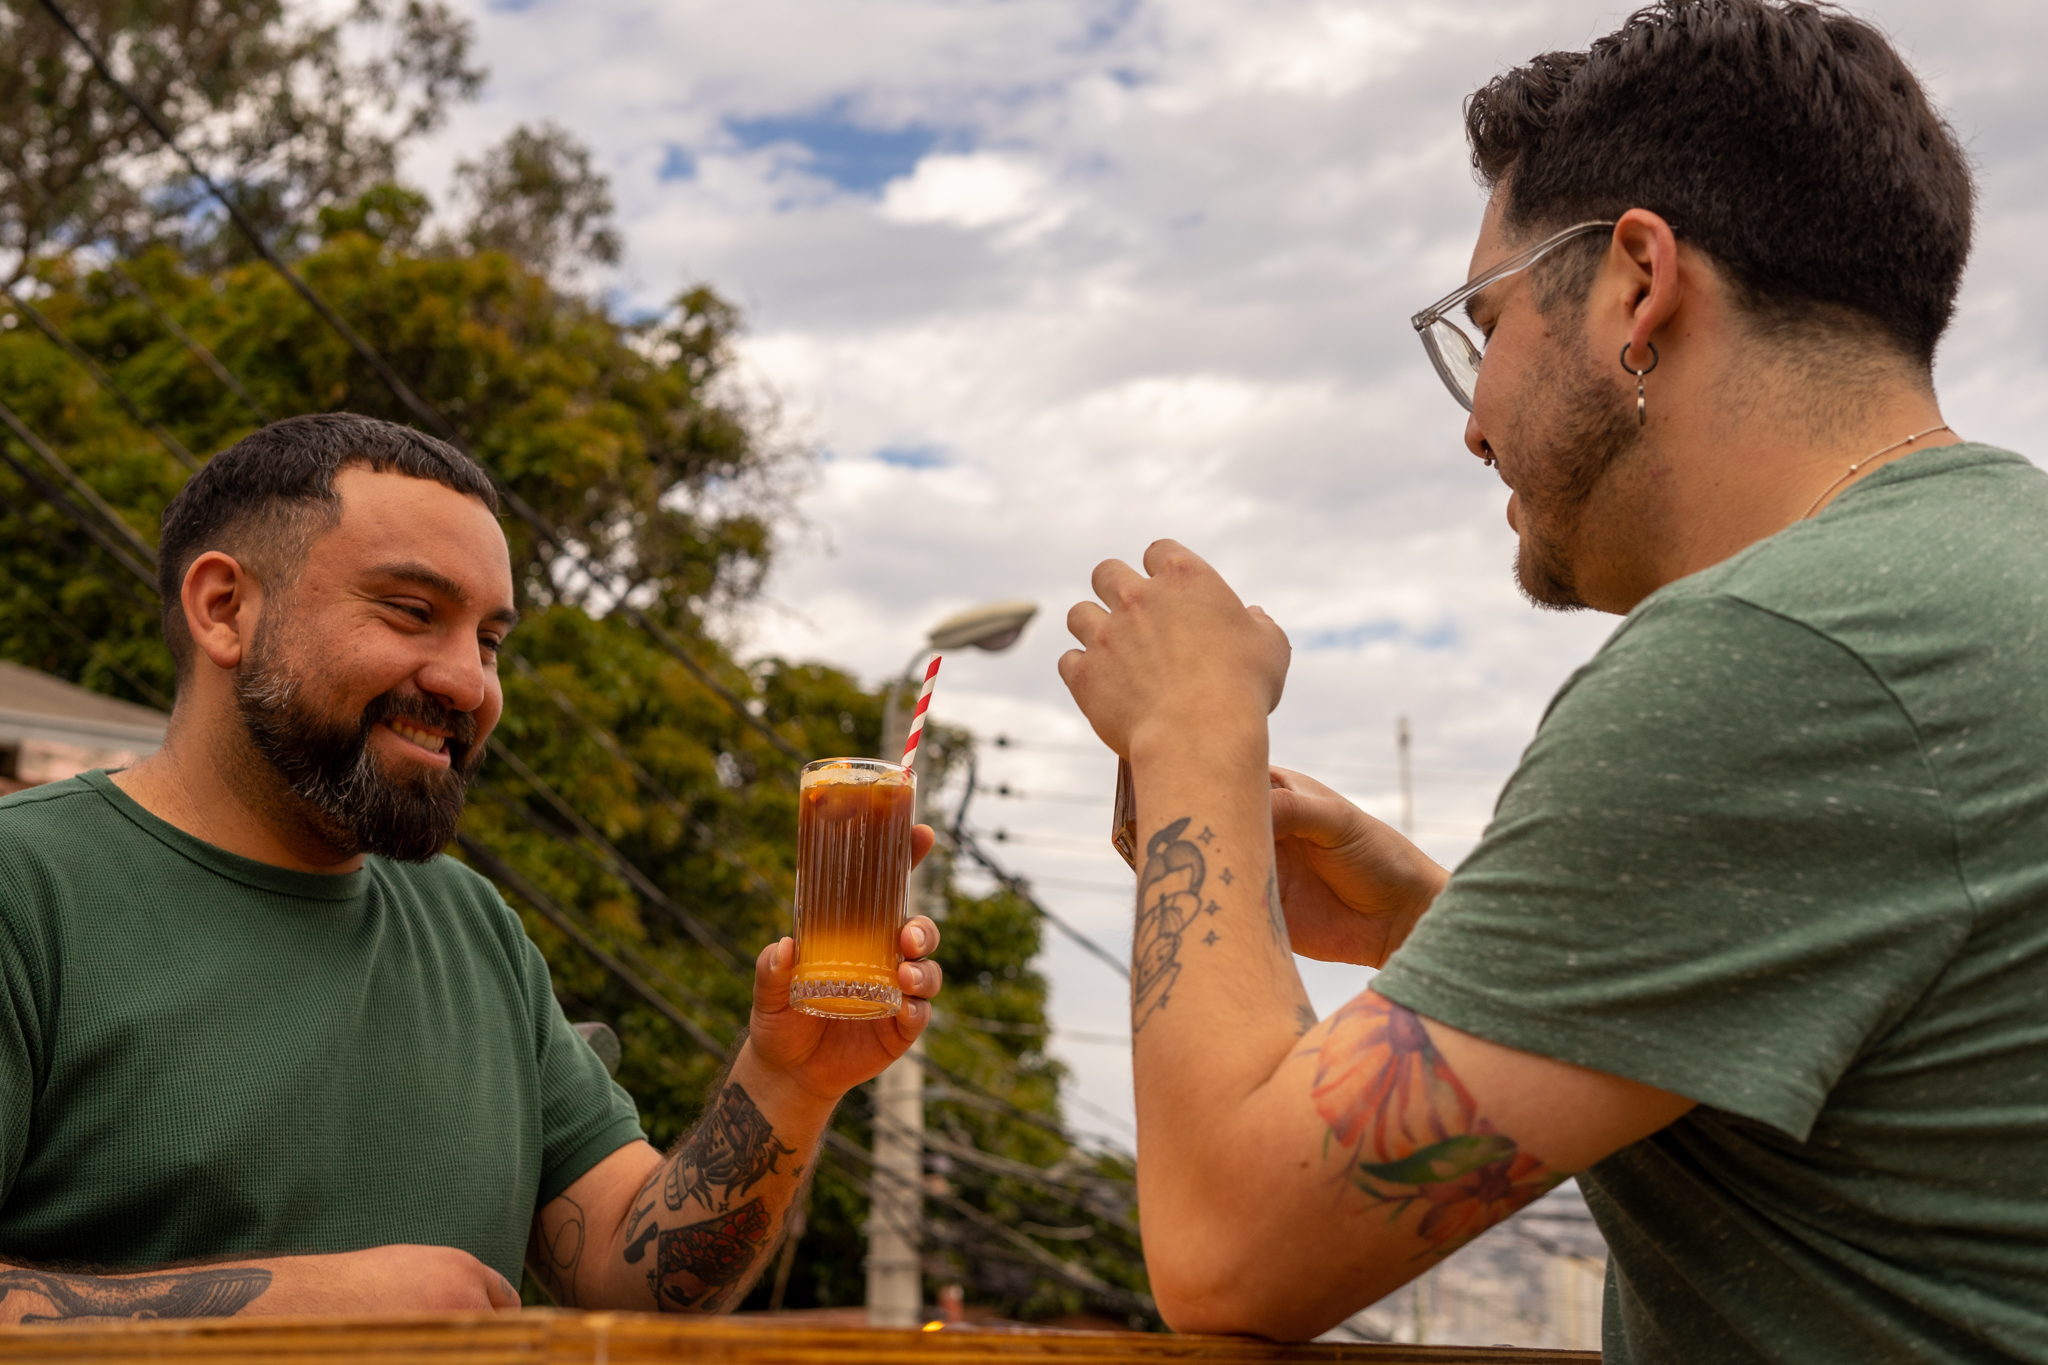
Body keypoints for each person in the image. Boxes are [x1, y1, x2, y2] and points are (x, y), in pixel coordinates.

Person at [1059, 1, 2048, 1359]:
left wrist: (1191, 729)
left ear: (1637, 283)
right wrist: (1435, 929)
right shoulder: (1980, 585)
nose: (1472, 424)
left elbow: (1230, 1248)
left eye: (1485, 323)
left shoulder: (1780, 654)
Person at [0, 413, 944, 1322]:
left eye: (489, 642)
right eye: (413, 612)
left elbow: (639, 1279)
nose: (469, 683)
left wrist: (789, 1081)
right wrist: (300, 1312)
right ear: (224, 608)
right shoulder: (26, 888)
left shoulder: (472, 926)